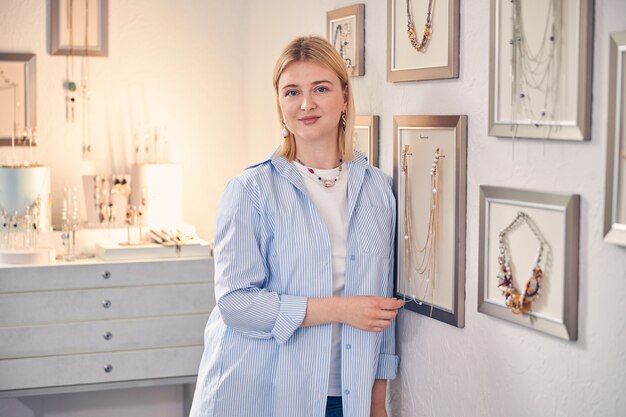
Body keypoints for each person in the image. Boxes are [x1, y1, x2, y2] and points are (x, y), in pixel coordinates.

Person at [189, 35, 403, 417]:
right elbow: (236, 304)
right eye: (292, 92)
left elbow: (380, 308)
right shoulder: (249, 191)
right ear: (280, 106)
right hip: (258, 391)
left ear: (345, 98)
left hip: (345, 395)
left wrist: (376, 401)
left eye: (320, 88)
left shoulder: (378, 191)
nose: (306, 104)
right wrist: (340, 309)